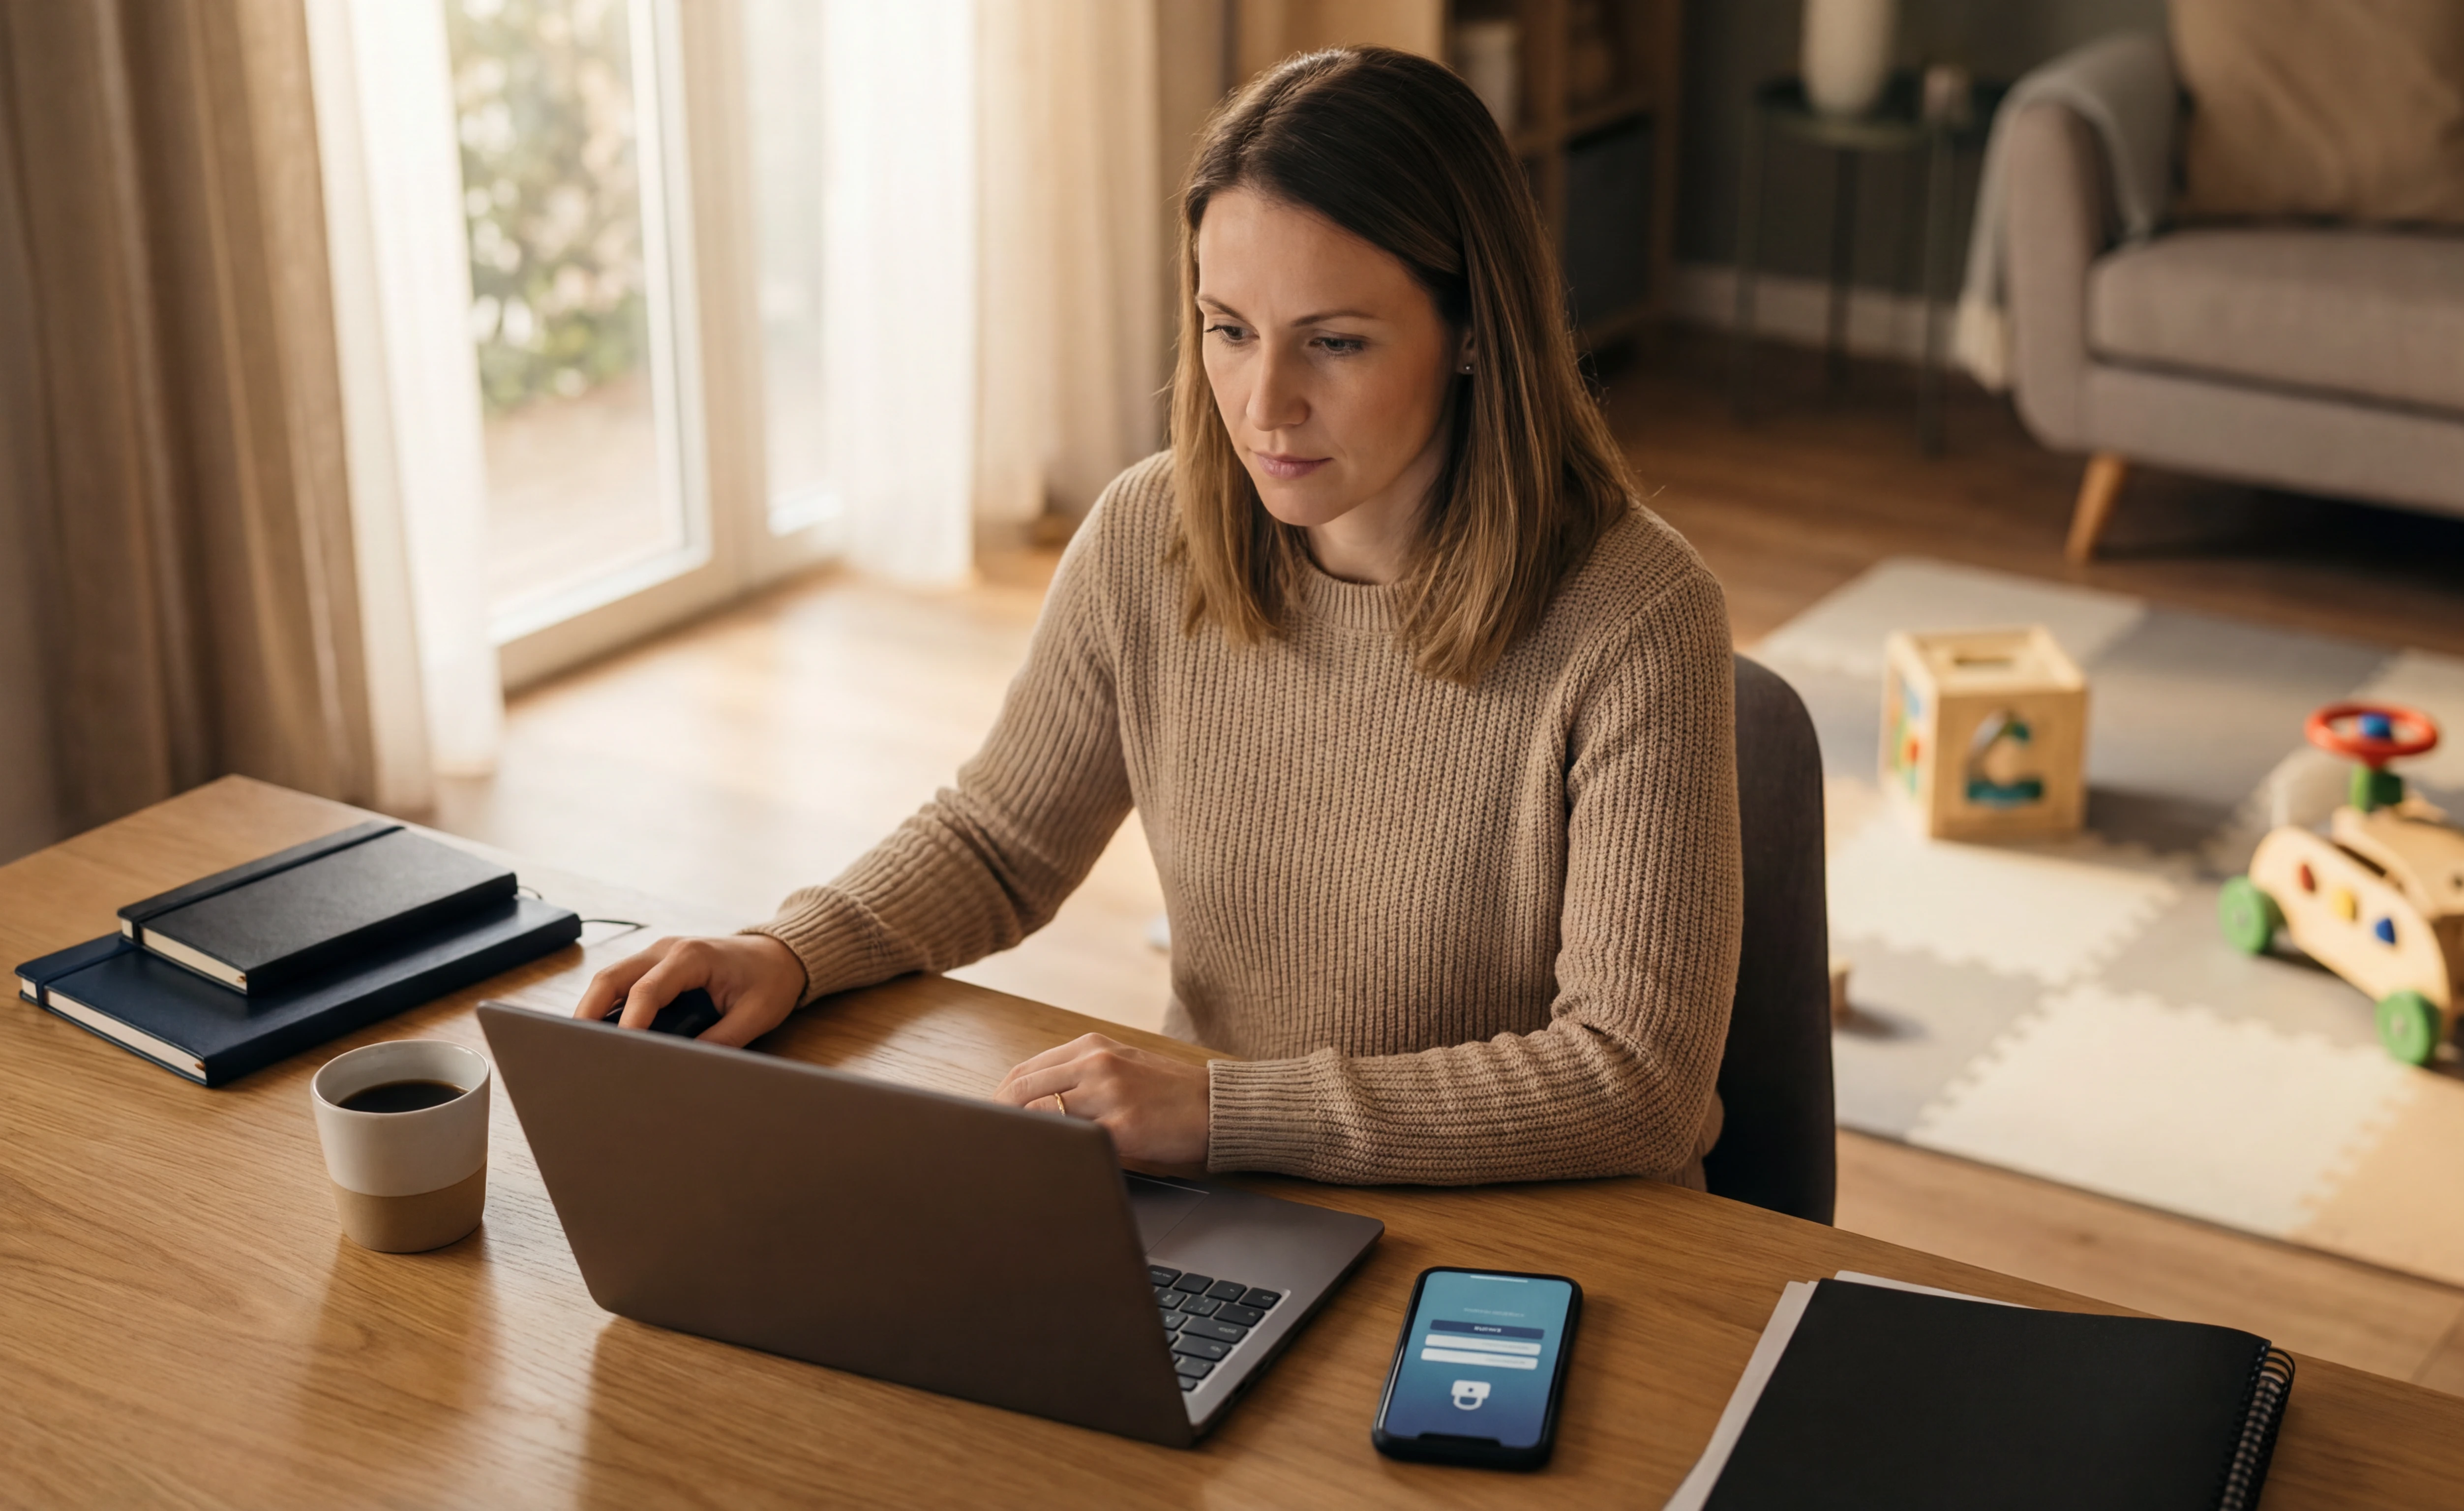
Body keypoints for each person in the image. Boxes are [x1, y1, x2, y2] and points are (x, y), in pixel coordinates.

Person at [574, 45, 1742, 1188]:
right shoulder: (1153, 532)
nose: (1265, 405)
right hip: (1239, 1187)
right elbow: (1001, 840)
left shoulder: (1638, 619)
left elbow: (1635, 1082)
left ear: (1477, 330)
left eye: (1334, 342)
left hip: (1539, 1224)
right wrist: (789, 949)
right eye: (1229, 329)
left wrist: (1228, 1111)